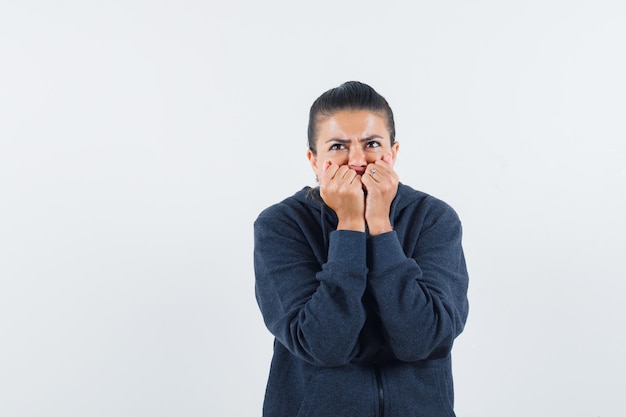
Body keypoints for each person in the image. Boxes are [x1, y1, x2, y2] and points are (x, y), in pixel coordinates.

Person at [253, 81, 469, 417]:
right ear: (314, 160)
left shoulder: (434, 218)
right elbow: (322, 345)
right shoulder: (281, 225)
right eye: (338, 146)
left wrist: (381, 226)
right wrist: (350, 226)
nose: (357, 160)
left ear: (393, 153)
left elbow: (425, 340)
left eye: (371, 143)